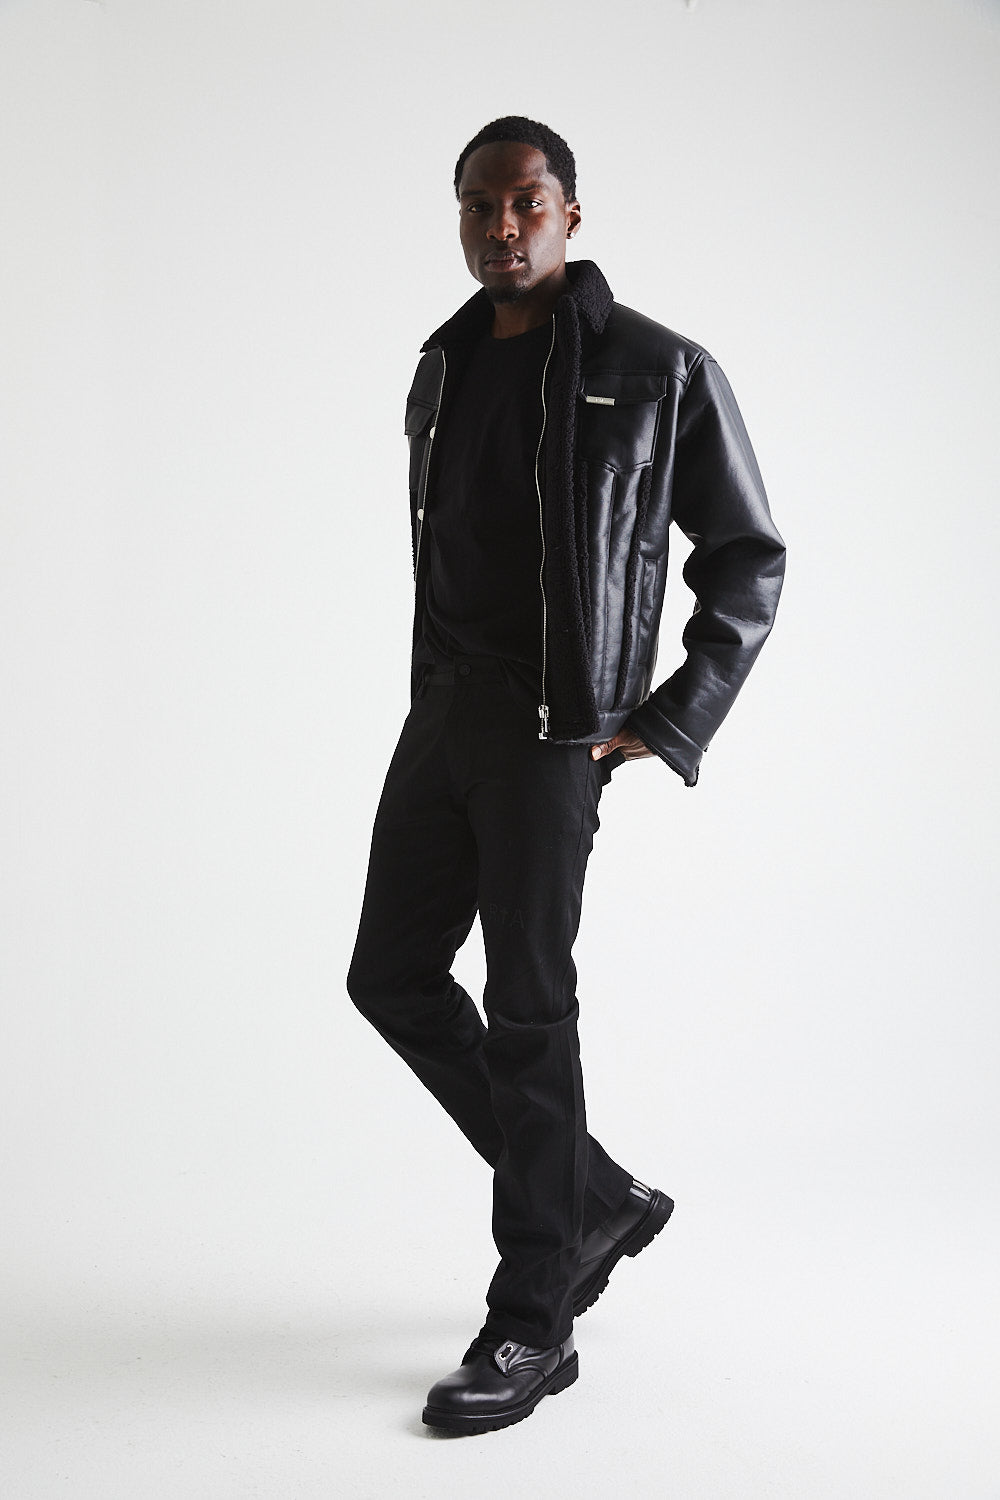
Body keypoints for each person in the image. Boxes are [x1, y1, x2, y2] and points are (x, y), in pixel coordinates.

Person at [347, 115, 785, 1436]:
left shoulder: (658, 369)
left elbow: (748, 557)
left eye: (526, 202)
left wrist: (669, 716)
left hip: (554, 735)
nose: (503, 226)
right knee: (391, 976)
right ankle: (590, 1198)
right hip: (446, 715)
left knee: (530, 1007)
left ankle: (535, 1318)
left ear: (570, 215)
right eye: (480, 204)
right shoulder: (442, 363)